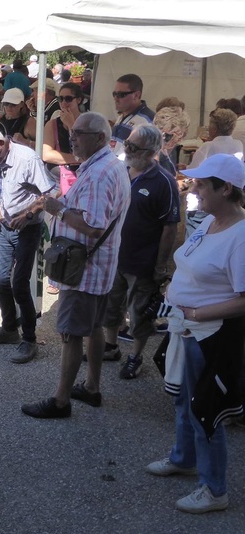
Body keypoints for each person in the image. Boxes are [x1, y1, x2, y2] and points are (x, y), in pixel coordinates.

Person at [146, 154, 245, 514]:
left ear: (226, 188)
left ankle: (214, 489)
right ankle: (183, 457)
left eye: (204, 184)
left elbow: (243, 300)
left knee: (206, 410)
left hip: (210, 335)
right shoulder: (210, 222)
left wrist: (198, 312)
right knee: (182, 399)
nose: (195, 187)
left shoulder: (240, 236)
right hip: (186, 329)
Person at [21, 112, 130, 418]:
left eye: (80, 133)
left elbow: (93, 225)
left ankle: (60, 401)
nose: (73, 137)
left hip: (84, 267)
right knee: (93, 327)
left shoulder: (98, 173)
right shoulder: (109, 164)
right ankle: (92, 387)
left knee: (70, 333)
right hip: (99, 264)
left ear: (99, 138)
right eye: (73, 131)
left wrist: (58, 208)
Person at [100, 124, 180, 378]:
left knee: (138, 313)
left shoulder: (164, 182)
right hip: (115, 257)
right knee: (111, 306)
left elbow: (170, 228)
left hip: (143, 263)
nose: (128, 150)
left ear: (152, 151)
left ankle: (135, 356)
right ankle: (111, 347)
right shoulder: (121, 172)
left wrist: (160, 266)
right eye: (128, 144)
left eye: (134, 147)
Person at [0, 127, 55, 363]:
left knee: (19, 284)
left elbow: (52, 192)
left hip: (28, 227)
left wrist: (29, 214)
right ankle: (9, 328)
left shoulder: (27, 159)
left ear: (1, 144)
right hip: (7, 226)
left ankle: (29, 339)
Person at [184, 108, 243, 238]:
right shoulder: (238, 144)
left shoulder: (208, 146)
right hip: (229, 195)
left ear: (214, 128)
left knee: (194, 227)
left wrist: (187, 167)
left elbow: (193, 171)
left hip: (206, 195)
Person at [42, 82, 85, 192]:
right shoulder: (52, 124)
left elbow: (86, 151)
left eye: (68, 99)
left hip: (84, 180)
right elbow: (47, 155)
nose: (64, 103)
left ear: (78, 100)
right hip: (58, 181)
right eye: (60, 99)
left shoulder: (88, 122)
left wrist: (71, 125)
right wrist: (77, 159)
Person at [110, 73, 154, 155]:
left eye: (121, 95)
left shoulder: (147, 122)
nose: (116, 98)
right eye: (114, 94)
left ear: (136, 95)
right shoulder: (122, 115)